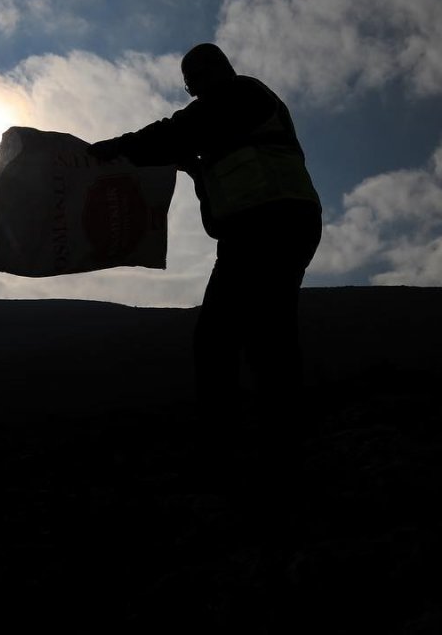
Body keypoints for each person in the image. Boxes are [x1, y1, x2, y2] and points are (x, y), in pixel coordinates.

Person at [90, 43, 322, 482]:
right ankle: (280, 452)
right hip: (277, 224)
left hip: (267, 225)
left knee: (218, 338)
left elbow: (175, 131)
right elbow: (203, 149)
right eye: (189, 85)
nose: (192, 91)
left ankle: (227, 454)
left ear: (212, 73)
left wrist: (110, 150)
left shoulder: (241, 94)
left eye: (193, 82)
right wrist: (193, 168)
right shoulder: (235, 114)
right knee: (266, 337)